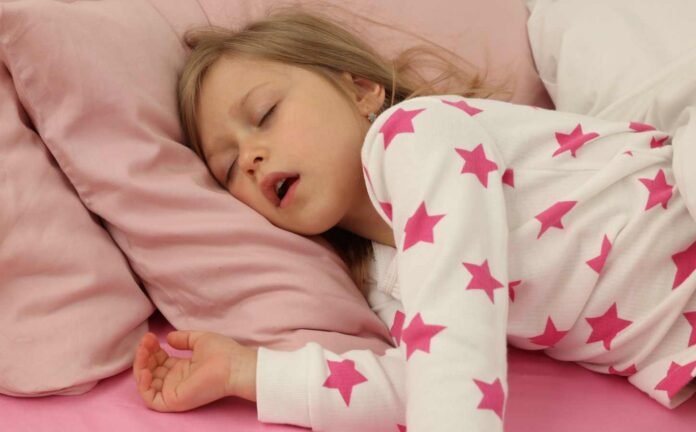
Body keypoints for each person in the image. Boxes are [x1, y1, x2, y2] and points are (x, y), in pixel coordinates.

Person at [132, 6, 696, 432]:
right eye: (229, 168)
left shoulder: (418, 135)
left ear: (360, 89)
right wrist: (246, 373)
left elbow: (456, 357)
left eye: (265, 114)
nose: (251, 158)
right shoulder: (385, 272)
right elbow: (422, 379)